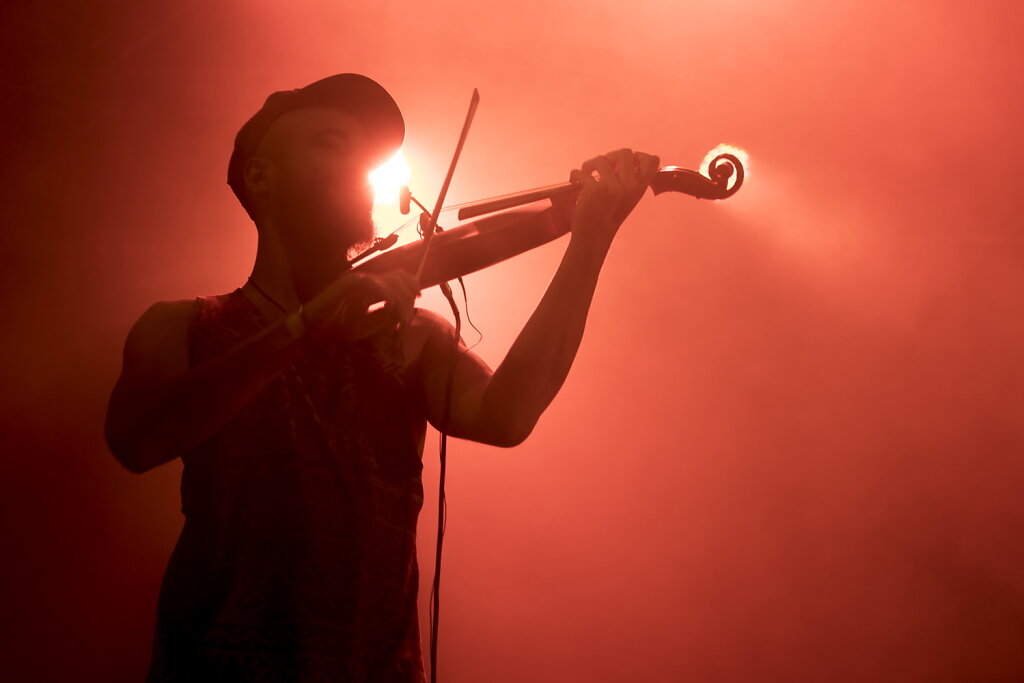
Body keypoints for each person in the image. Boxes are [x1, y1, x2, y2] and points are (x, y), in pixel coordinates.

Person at [105, 73, 659, 682]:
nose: (357, 169)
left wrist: (590, 238)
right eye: (329, 144)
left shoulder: (412, 336)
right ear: (262, 176)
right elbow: (137, 440)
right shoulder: (183, 326)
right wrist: (301, 331)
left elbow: (508, 414)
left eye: (364, 158)